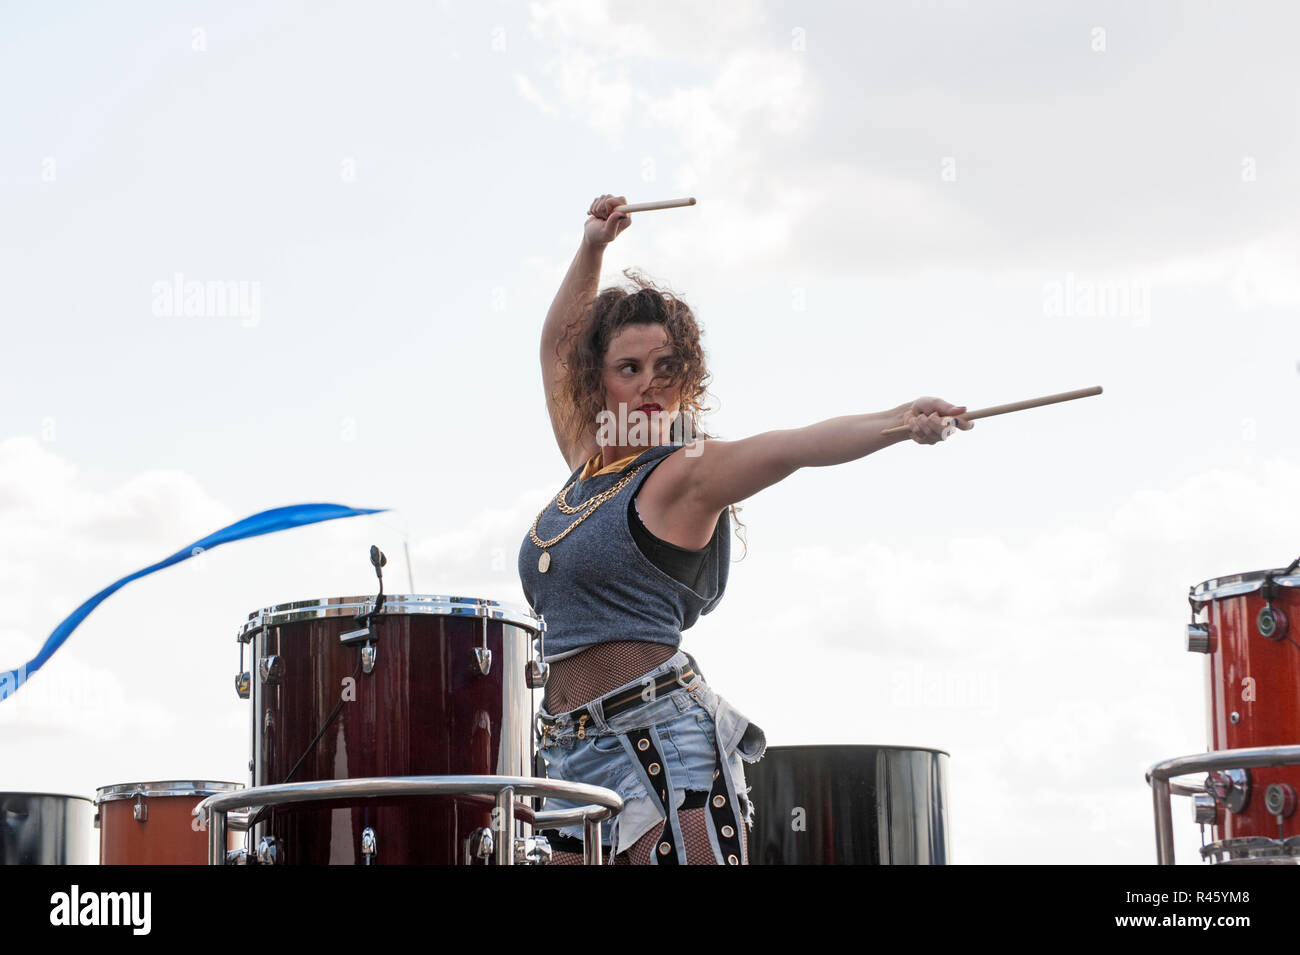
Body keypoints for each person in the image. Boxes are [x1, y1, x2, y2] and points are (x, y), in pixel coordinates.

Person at [517, 192, 973, 865]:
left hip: (657, 744)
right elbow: (557, 348)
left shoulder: (683, 474)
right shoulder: (587, 463)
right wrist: (592, 249)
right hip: (565, 749)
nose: (649, 386)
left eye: (666, 369)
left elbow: (793, 445)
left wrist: (902, 420)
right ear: (600, 378)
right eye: (629, 368)